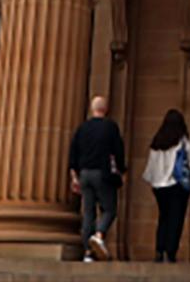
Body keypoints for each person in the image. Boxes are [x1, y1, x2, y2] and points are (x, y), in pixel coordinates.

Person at [68, 94, 126, 261]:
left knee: (88, 213)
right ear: (105, 109)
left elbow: (73, 153)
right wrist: (122, 171)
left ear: (92, 109)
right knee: (109, 209)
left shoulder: (82, 128)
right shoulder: (110, 127)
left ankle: (88, 252)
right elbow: (118, 151)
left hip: (84, 174)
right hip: (102, 173)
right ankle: (99, 235)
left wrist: (74, 177)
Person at [140, 109, 190, 263]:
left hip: (159, 186)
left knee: (163, 217)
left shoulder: (157, 143)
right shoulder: (184, 143)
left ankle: (159, 249)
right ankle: (170, 252)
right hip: (177, 184)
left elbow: (151, 167)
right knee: (176, 219)